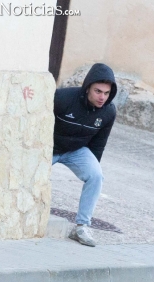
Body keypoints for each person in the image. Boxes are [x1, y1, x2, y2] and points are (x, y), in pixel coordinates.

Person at [52, 63, 117, 247]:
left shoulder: (108, 112)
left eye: (106, 93)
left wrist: (89, 168)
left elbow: (98, 146)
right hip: (50, 147)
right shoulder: (63, 98)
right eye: (98, 91)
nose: (102, 97)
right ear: (88, 87)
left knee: (96, 175)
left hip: (76, 151)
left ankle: (81, 227)